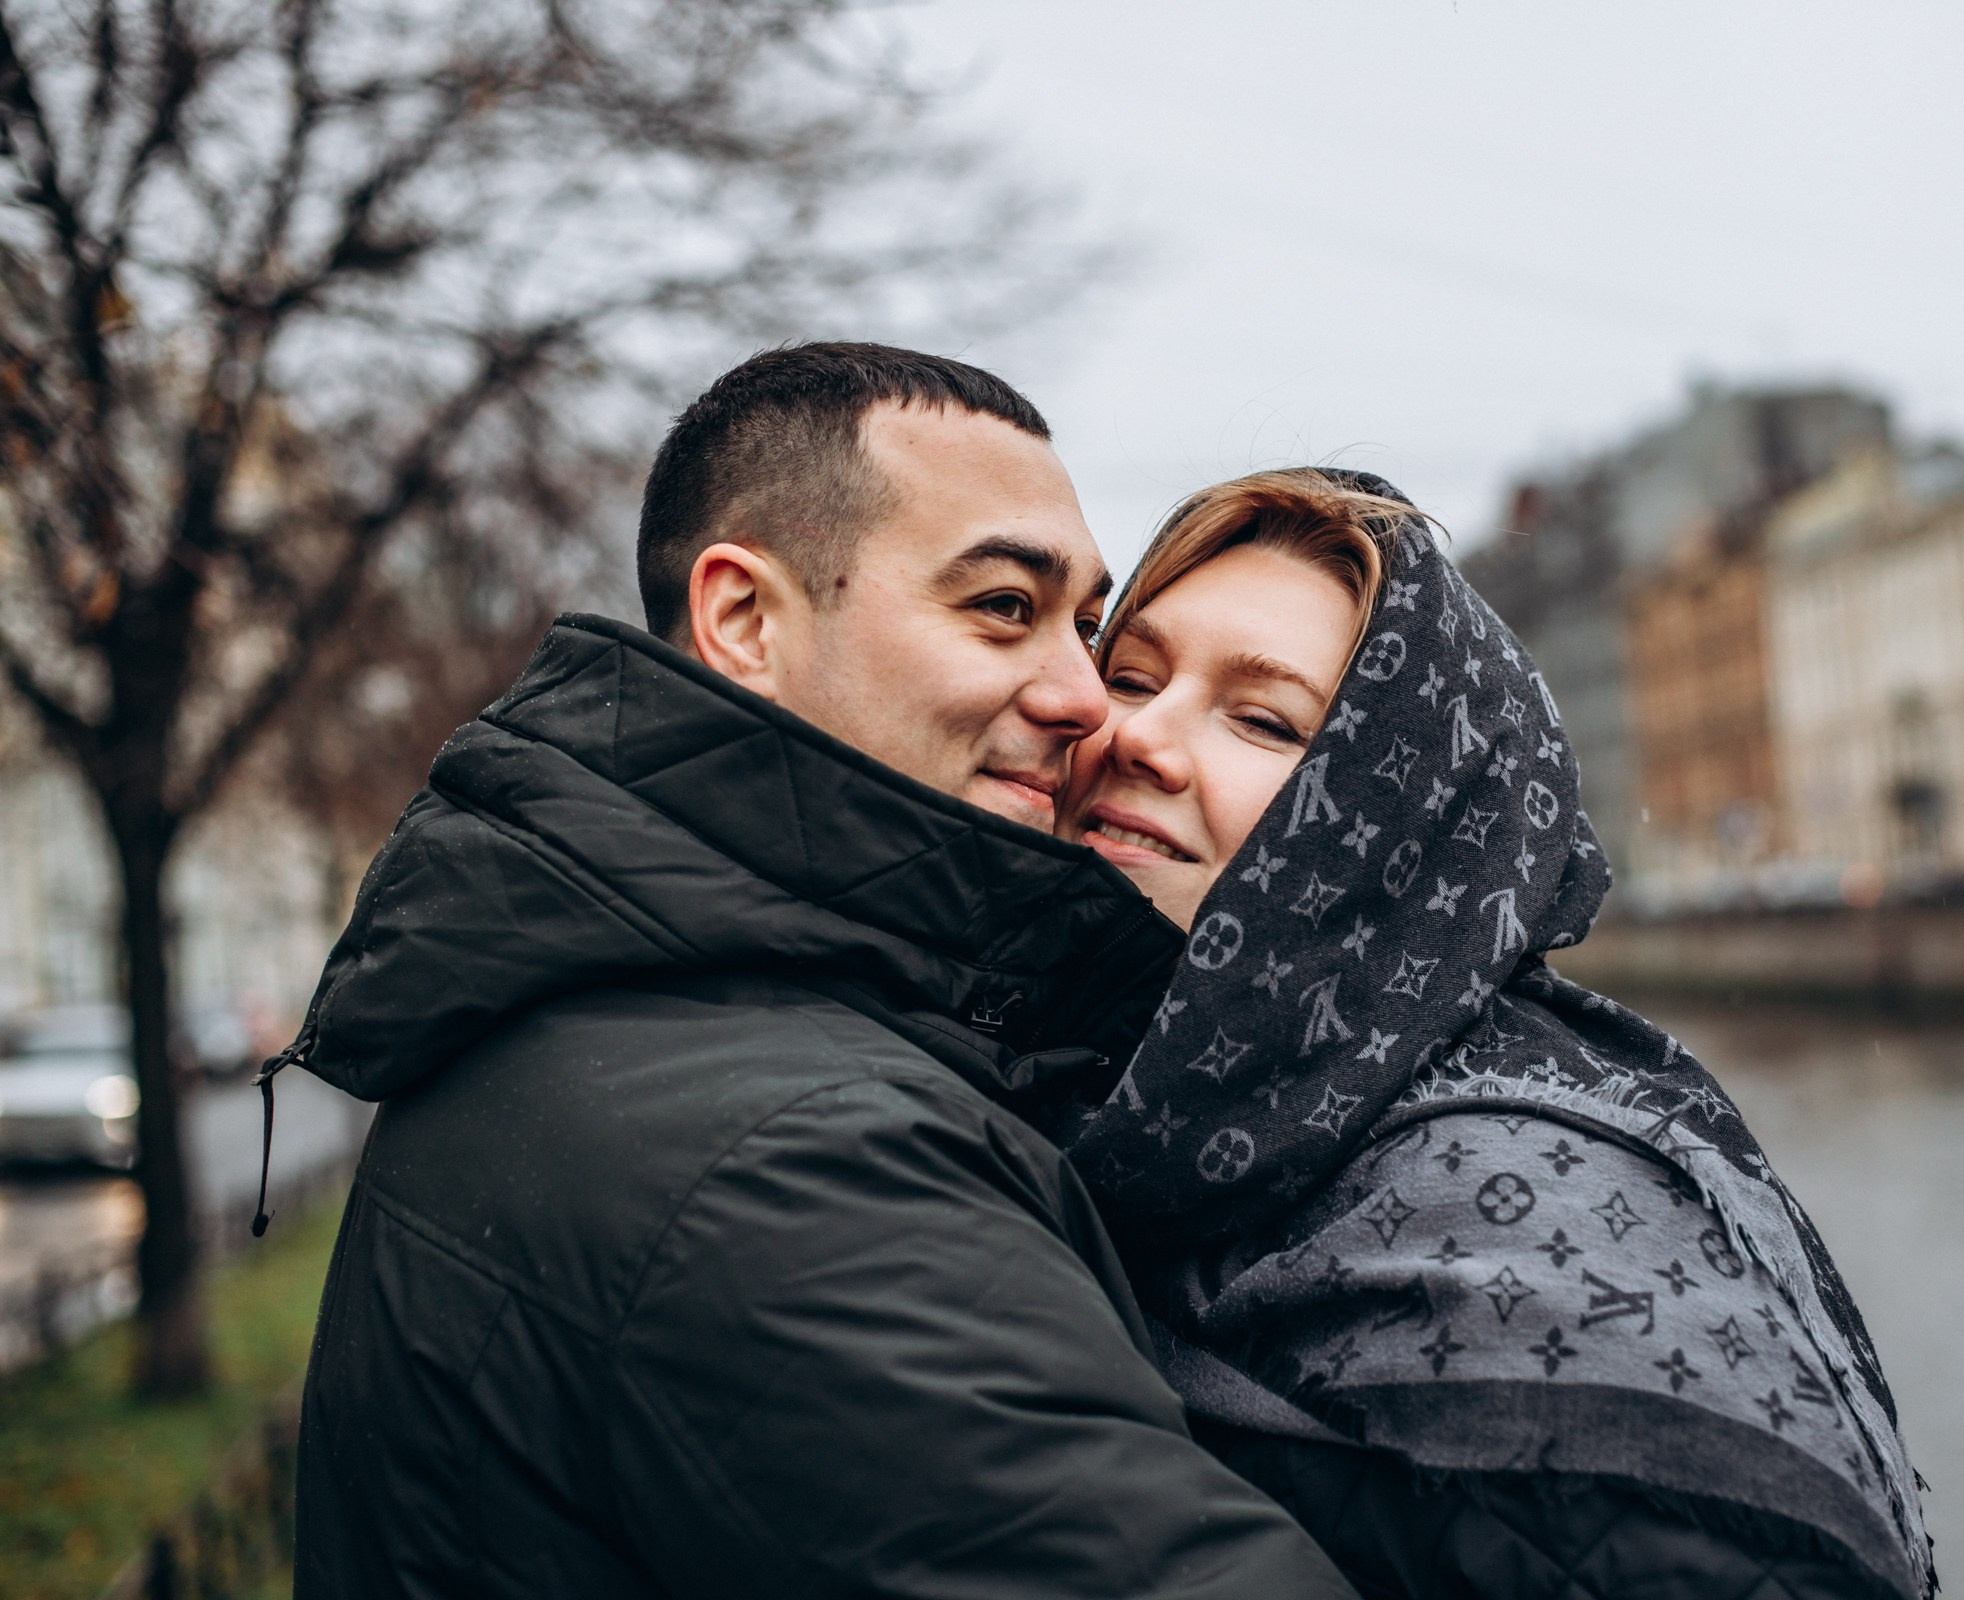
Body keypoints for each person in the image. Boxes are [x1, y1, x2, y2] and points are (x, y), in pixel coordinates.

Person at [282, 345, 1356, 1598]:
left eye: (1084, 625)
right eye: (1005, 605)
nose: (1085, 698)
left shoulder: (621, 993)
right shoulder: (793, 1158)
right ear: (743, 618)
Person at [1052, 469, 1932, 1600]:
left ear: (1400, 826)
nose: (1139, 735)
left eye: (1264, 719)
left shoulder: (1525, 1212)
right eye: (1128, 675)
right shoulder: (1092, 1112)